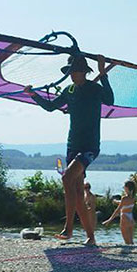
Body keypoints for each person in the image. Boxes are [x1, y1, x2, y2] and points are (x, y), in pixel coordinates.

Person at [25, 53, 113, 245]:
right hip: (72, 146)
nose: (72, 75)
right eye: (70, 72)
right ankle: (91, 237)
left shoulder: (95, 89)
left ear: (84, 72)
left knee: (66, 178)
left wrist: (102, 72)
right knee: (78, 191)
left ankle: (68, 229)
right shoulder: (69, 90)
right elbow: (50, 107)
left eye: (75, 72)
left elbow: (110, 100)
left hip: (89, 146)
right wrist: (34, 95)